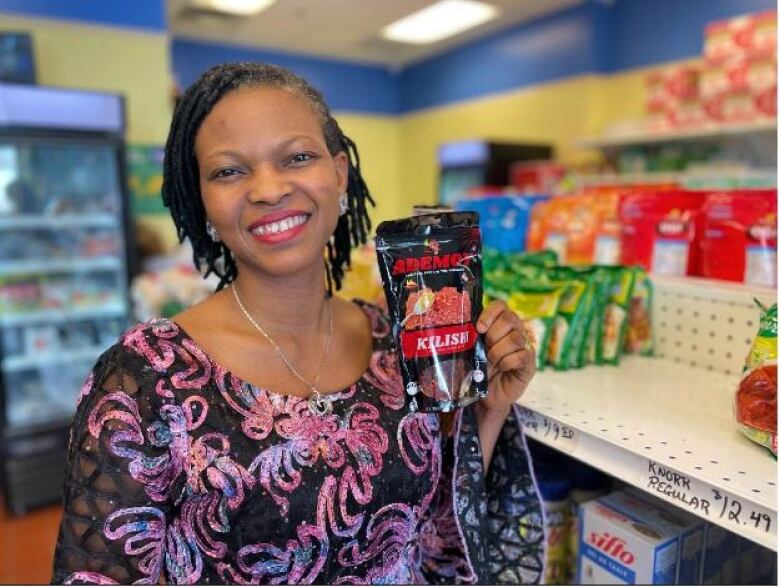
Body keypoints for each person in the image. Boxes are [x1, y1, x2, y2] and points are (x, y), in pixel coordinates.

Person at [51, 62, 544, 585]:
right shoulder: (146, 377)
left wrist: (488, 412)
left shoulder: (395, 340)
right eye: (229, 171)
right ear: (203, 199)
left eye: (297, 157)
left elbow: (435, 538)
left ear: (339, 173)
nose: (268, 189)